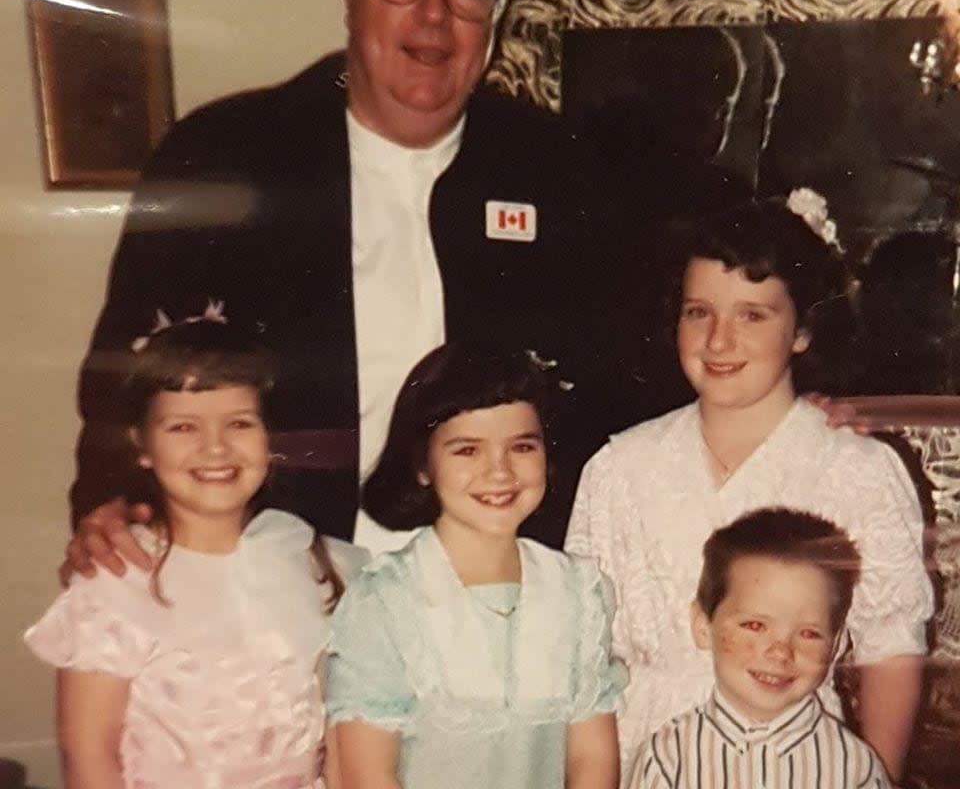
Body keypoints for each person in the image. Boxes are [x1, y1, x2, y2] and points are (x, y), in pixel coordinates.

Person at [66, 0, 618, 571]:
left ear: (499, 9)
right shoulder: (222, 158)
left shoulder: (560, 174)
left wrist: (810, 394)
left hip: (488, 592)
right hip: (273, 585)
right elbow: (126, 377)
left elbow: (652, 359)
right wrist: (108, 499)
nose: (432, 15)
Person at [565, 193, 933, 783]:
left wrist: (873, 776)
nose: (718, 341)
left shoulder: (856, 469)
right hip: (645, 760)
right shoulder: (618, 468)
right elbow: (583, 666)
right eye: (698, 312)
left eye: (752, 315)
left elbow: (890, 649)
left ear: (803, 330)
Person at [26, 316, 369, 789]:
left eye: (240, 424)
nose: (215, 447)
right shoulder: (116, 581)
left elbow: (338, 743)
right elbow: (89, 755)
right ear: (141, 445)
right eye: (184, 427)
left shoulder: (311, 562)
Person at [325, 343, 625, 789]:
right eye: (467, 451)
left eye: (522, 447)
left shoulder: (577, 592)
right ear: (423, 465)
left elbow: (591, 761)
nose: (499, 472)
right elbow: (367, 776)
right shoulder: (387, 600)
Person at [630, 508, 893, 789]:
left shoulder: (853, 769)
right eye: (755, 626)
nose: (780, 652)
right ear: (704, 626)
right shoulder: (669, 759)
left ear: (836, 644)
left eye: (808, 633)